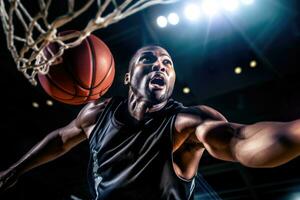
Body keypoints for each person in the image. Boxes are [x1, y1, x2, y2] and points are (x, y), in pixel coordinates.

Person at [1, 45, 300, 200]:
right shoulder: (96, 114)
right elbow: (61, 138)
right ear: (128, 77)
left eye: (167, 63)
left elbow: (240, 140)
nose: (160, 65)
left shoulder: (187, 121)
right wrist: (16, 168)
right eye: (149, 59)